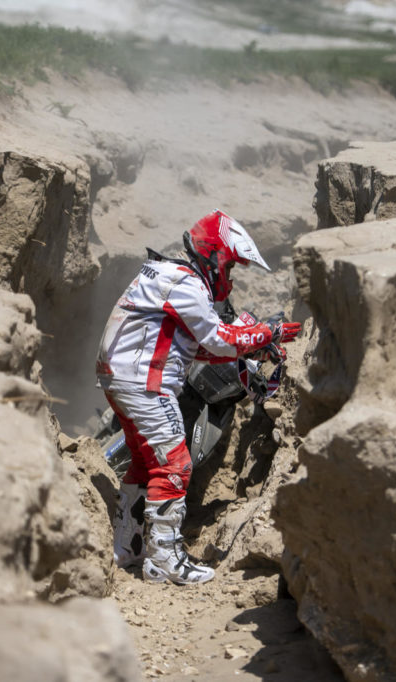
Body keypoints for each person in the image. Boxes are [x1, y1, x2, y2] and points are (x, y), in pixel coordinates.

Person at [95, 209, 300, 585]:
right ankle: (165, 561)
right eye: (231, 268)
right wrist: (267, 333)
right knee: (175, 466)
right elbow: (219, 340)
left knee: (146, 464)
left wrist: (250, 341)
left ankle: (129, 546)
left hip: (123, 379)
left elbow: (198, 346)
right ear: (216, 256)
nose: (230, 278)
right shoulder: (185, 283)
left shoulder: (166, 273)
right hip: (145, 382)